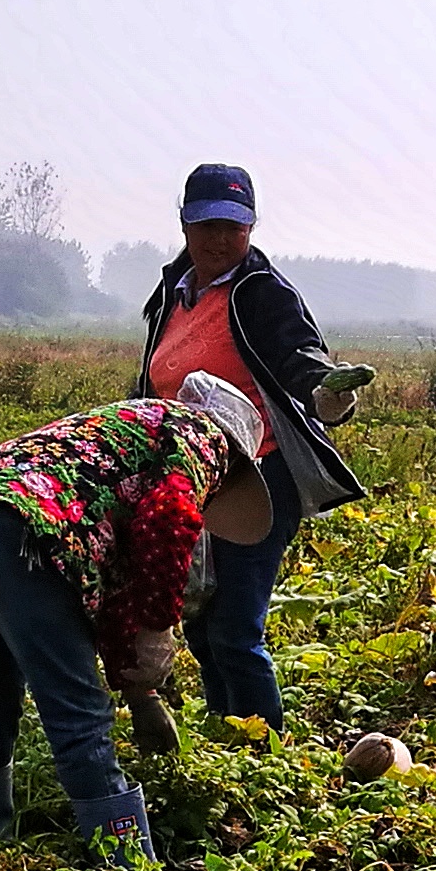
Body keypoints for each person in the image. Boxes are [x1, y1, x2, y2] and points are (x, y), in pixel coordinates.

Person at [0, 370, 274, 861]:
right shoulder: (200, 437)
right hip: (24, 530)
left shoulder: (135, 432)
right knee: (79, 710)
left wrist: (141, 693)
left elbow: (106, 586)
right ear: (235, 461)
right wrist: (158, 627)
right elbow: (170, 517)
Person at [129, 164, 369, 731]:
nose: (219, 240)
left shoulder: (262, 292)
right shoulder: (172, 292)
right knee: (203, 625)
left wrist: (326, 390)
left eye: (233, 228)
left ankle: (265, 751)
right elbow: (153, 380)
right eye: (208, 224)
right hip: (190, 481)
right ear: (185, 225)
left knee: (236, 630)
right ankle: (226, 733)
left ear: (252, 228)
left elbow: (298, 357)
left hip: (259, 476)